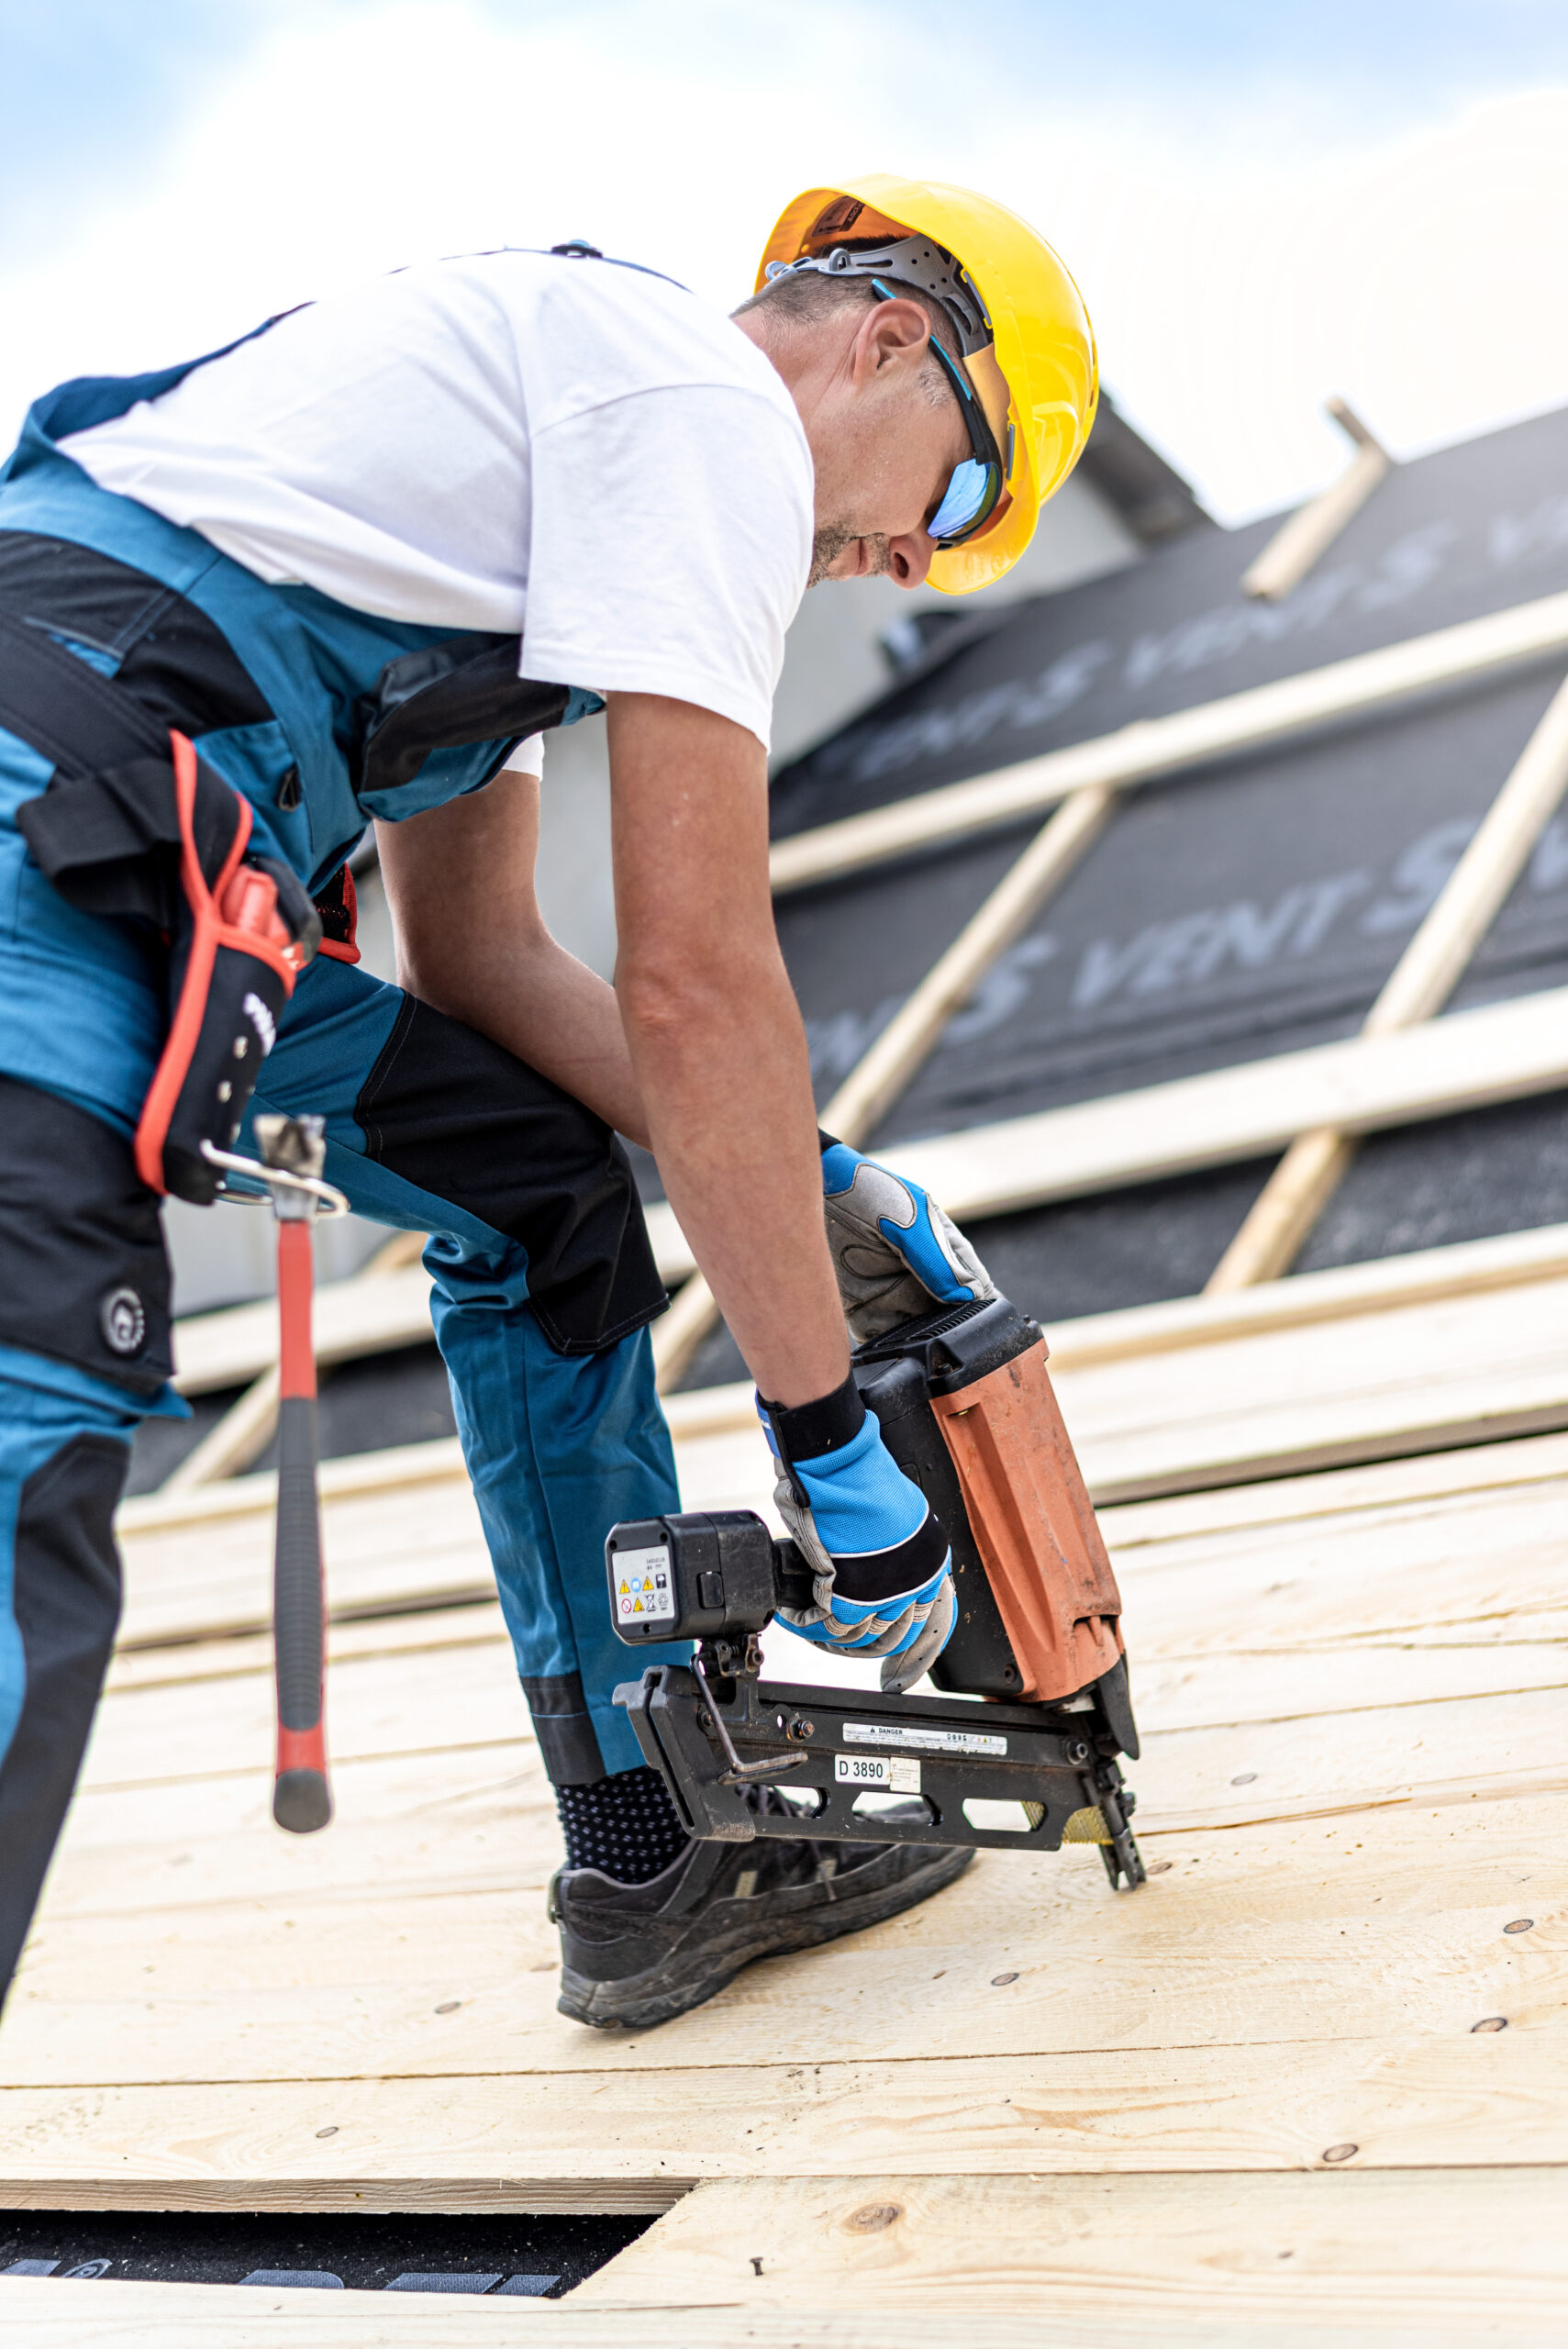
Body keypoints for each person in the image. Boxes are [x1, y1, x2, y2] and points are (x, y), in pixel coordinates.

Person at [0, 175, 1097, 2029]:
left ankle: (651, 1836)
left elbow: (492, 965)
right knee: (27, 1473)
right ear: (894, 340)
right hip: (57, 829)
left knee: (529, 1187)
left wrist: (806, 1178)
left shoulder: (537, 514)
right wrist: (832, 1430)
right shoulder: (698, 410)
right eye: (960, 497)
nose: (921, 558)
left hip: (131, 849)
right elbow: (695, 972)